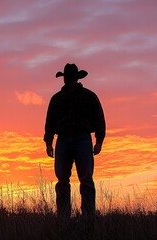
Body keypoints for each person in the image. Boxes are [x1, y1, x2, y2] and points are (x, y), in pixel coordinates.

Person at [44, 63, 106, 219]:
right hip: (63, 139)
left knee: (86, 180)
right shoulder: (56, 99)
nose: (69, 80)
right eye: (67, 77)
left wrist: (99, 141)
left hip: (83, 138)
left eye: (71, 77)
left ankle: (88, 218)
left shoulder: (89, 96)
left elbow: (99, 120)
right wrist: (48, 142)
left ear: (77, 79)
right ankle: (63, 218)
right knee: (62, 180)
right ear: (64, 79)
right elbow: (50, 122)